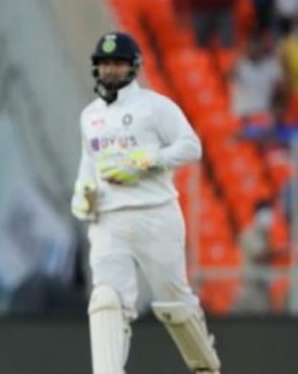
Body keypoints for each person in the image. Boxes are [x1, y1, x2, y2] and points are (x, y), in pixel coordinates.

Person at [72, 32, 221, 374]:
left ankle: (205, 367)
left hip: (155, 214)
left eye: (118, 63)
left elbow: (191, 147)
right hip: (108, 220)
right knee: (106, 300)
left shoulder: (154, 107)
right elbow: (88, 164)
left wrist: (146, 160)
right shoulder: (89, 116)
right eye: (105, 63)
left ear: (133, 67)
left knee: (174, 303)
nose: (111, 70)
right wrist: (82, 194)